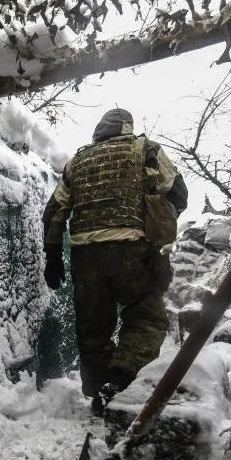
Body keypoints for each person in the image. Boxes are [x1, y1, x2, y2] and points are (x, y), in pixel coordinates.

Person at [42, 108, 188, 412]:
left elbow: (54, 211)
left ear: (99, 131)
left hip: (85, 256)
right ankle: (121, 380)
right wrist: (155, 214)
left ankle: (98, 394)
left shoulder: (77, 161)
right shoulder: (145, 149)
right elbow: (178, 193)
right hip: (132, 251)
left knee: (93, 328)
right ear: (126, 128)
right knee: (147, 318)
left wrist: (53, 256)